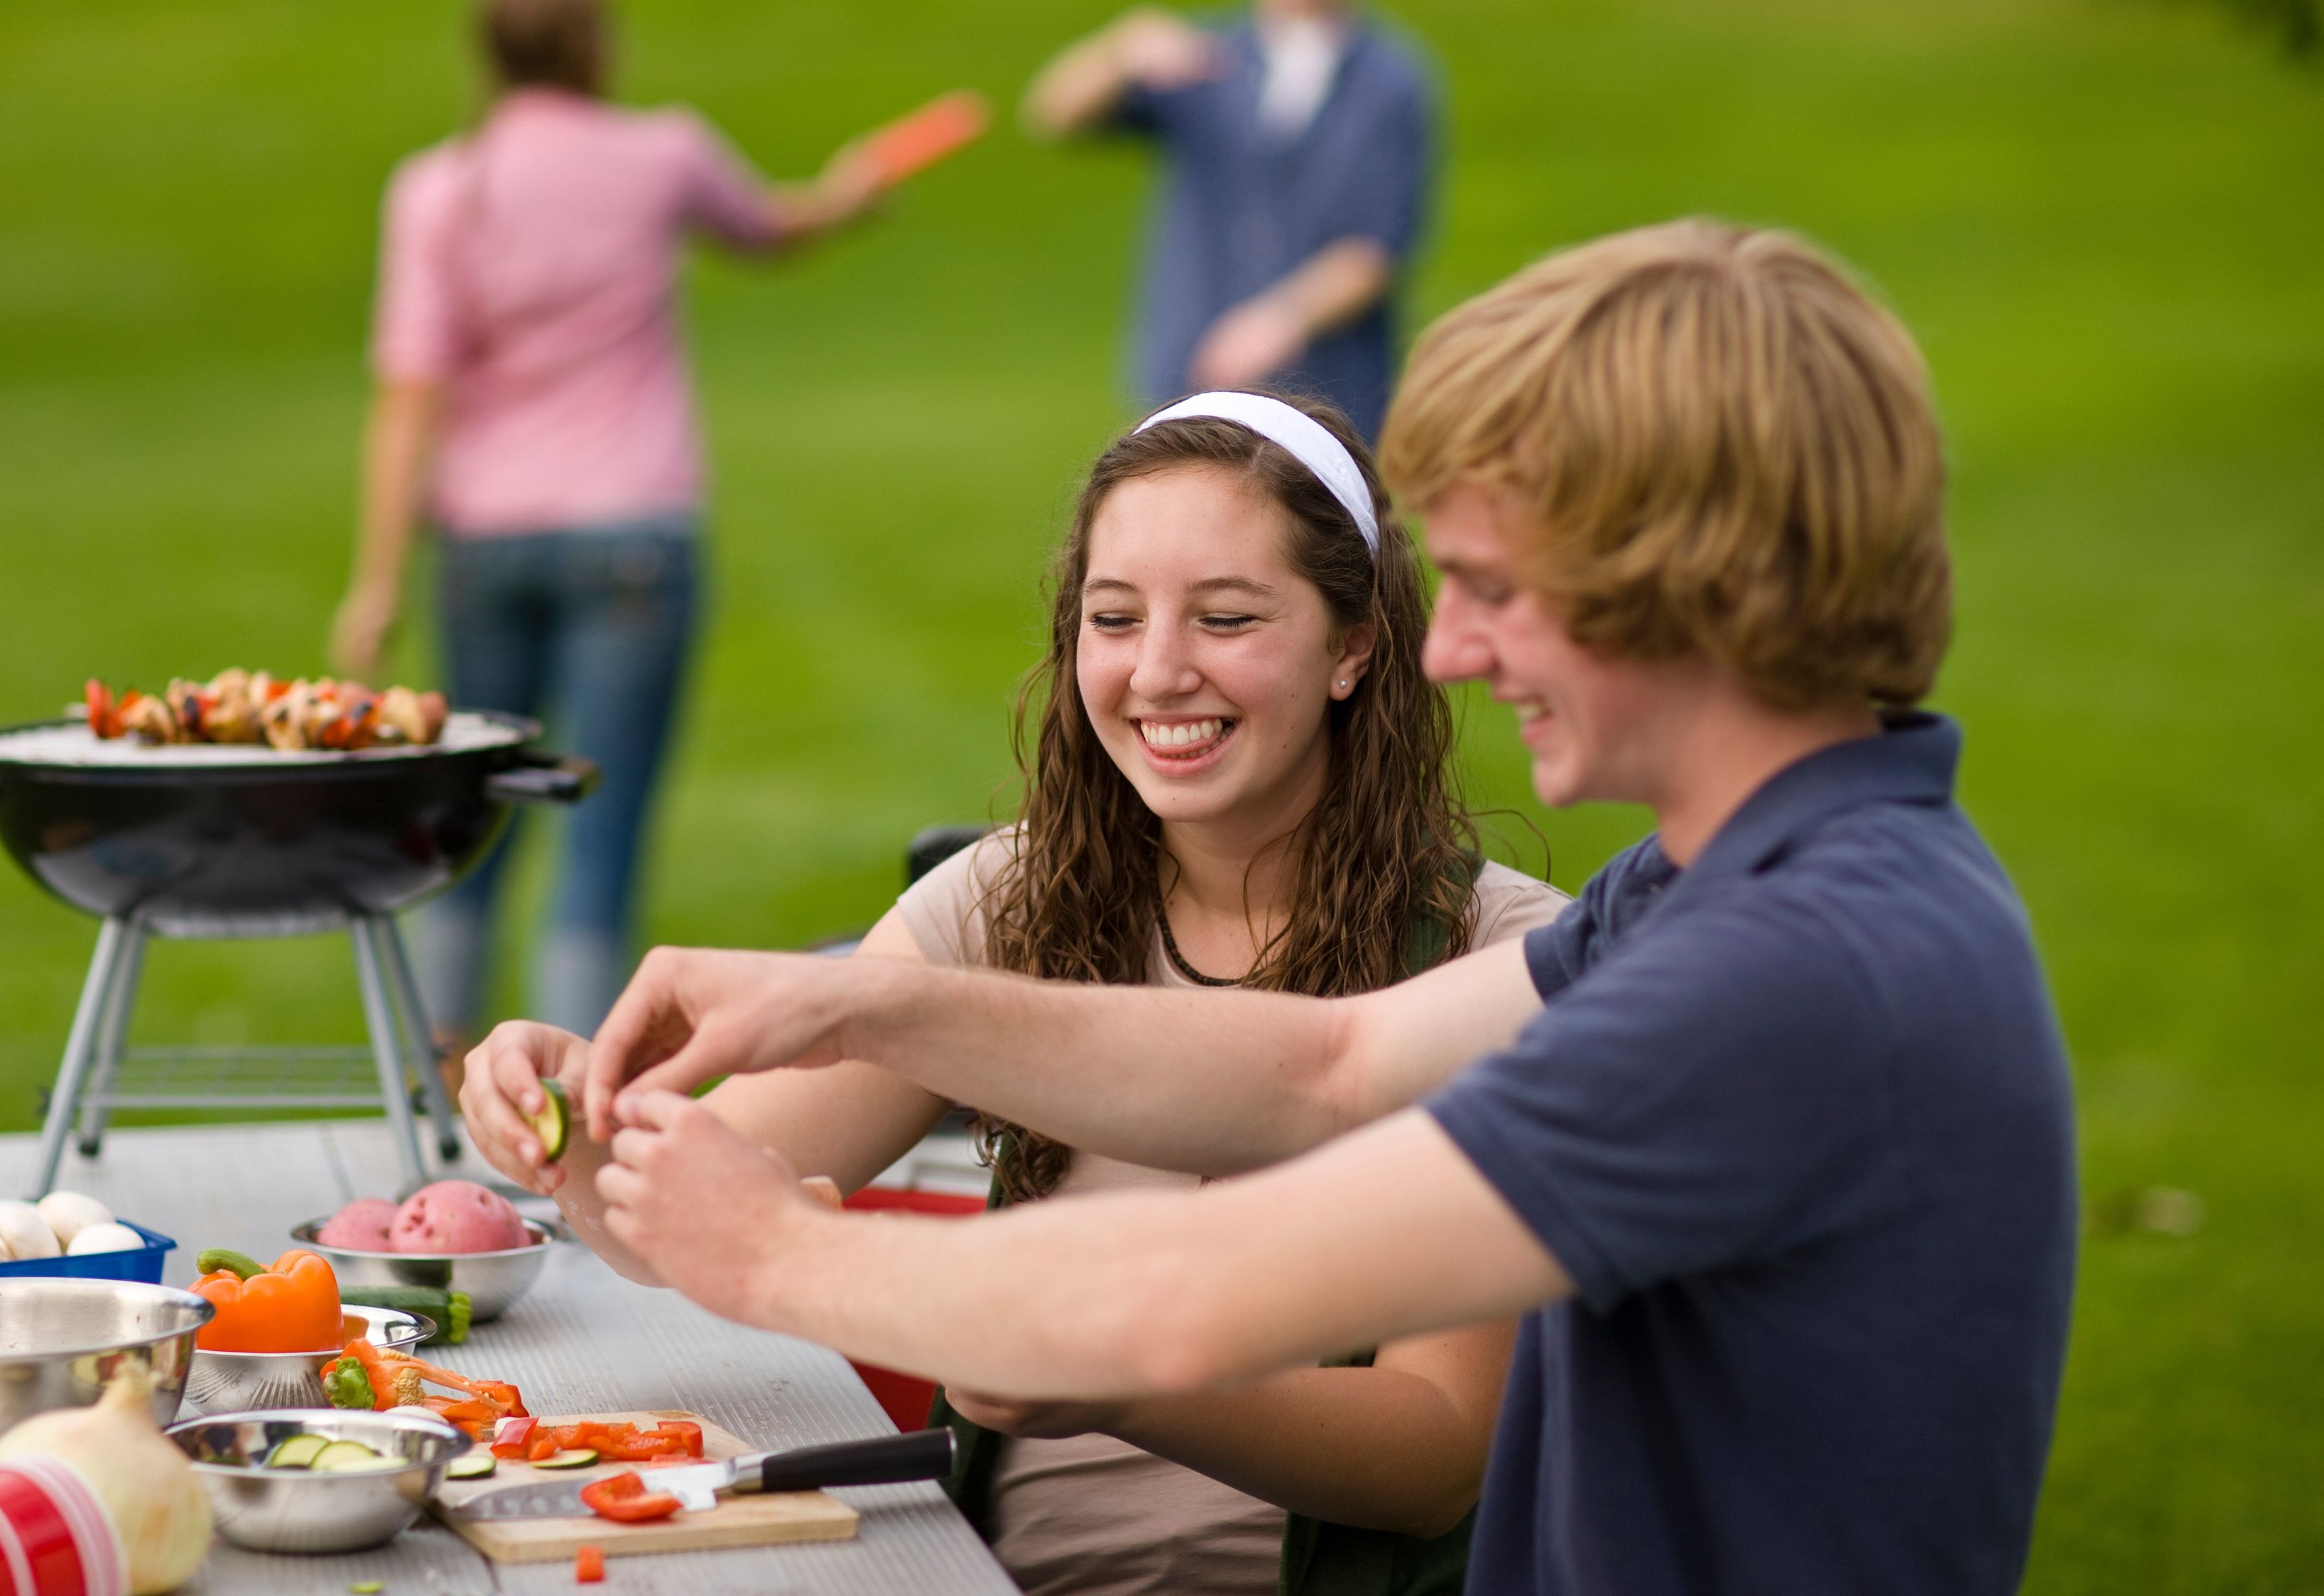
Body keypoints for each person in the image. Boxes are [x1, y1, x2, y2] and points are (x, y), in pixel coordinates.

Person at [565, 222, 2078, 1596]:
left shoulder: (1790, 975)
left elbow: (1189, 1309)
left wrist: (781, 1257)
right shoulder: (1719, 884)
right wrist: (870, 999)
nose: (1451, 650)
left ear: (1684, 578)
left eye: (1492, 581)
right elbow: (1329, 1066)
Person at [462, 389, 1566, 1595]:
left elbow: (1436, 1455)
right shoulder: (1011, 900)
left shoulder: (1496, 958)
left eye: (1229, 617)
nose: (1157, 673)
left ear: (1354, 645)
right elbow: (670, 1218)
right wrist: (567, 1117)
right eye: (1113, 617)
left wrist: (1113, 1367)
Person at [328, 0, 886, 1048]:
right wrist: (850, 193)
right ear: (591, 42)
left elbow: (408, 394)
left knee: (468, 819)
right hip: (636, 536)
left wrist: (376, 581)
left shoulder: (439, 189)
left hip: (486, 546)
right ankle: (565, 1112)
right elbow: (771, 230)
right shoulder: (659, 155)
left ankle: (435, 1084)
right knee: (599, 830)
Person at [1023, 0, 1438, 445]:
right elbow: (1054, 115)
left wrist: (1279, 319)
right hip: (1189, 385)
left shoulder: (1392, 81)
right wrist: (1120, 48)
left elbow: (1374, 251)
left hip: (1328, 398)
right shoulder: (1203, 58)